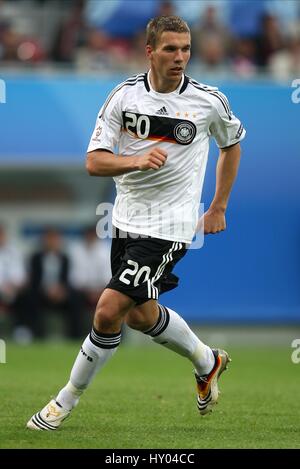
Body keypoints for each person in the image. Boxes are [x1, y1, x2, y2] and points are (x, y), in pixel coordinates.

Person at [27, 15, 245, 431]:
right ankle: (207, 360)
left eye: (186, 48)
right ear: (149, 51)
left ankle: (63, 401)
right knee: (140, 316)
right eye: (170, 49)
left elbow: (232, 145)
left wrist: (218, 206)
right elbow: (94, 162)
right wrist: (135, 160)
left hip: (171, 226)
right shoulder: (123, 98)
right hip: (125, 222)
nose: (180, 57)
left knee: (107, 311)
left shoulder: (208, 101)